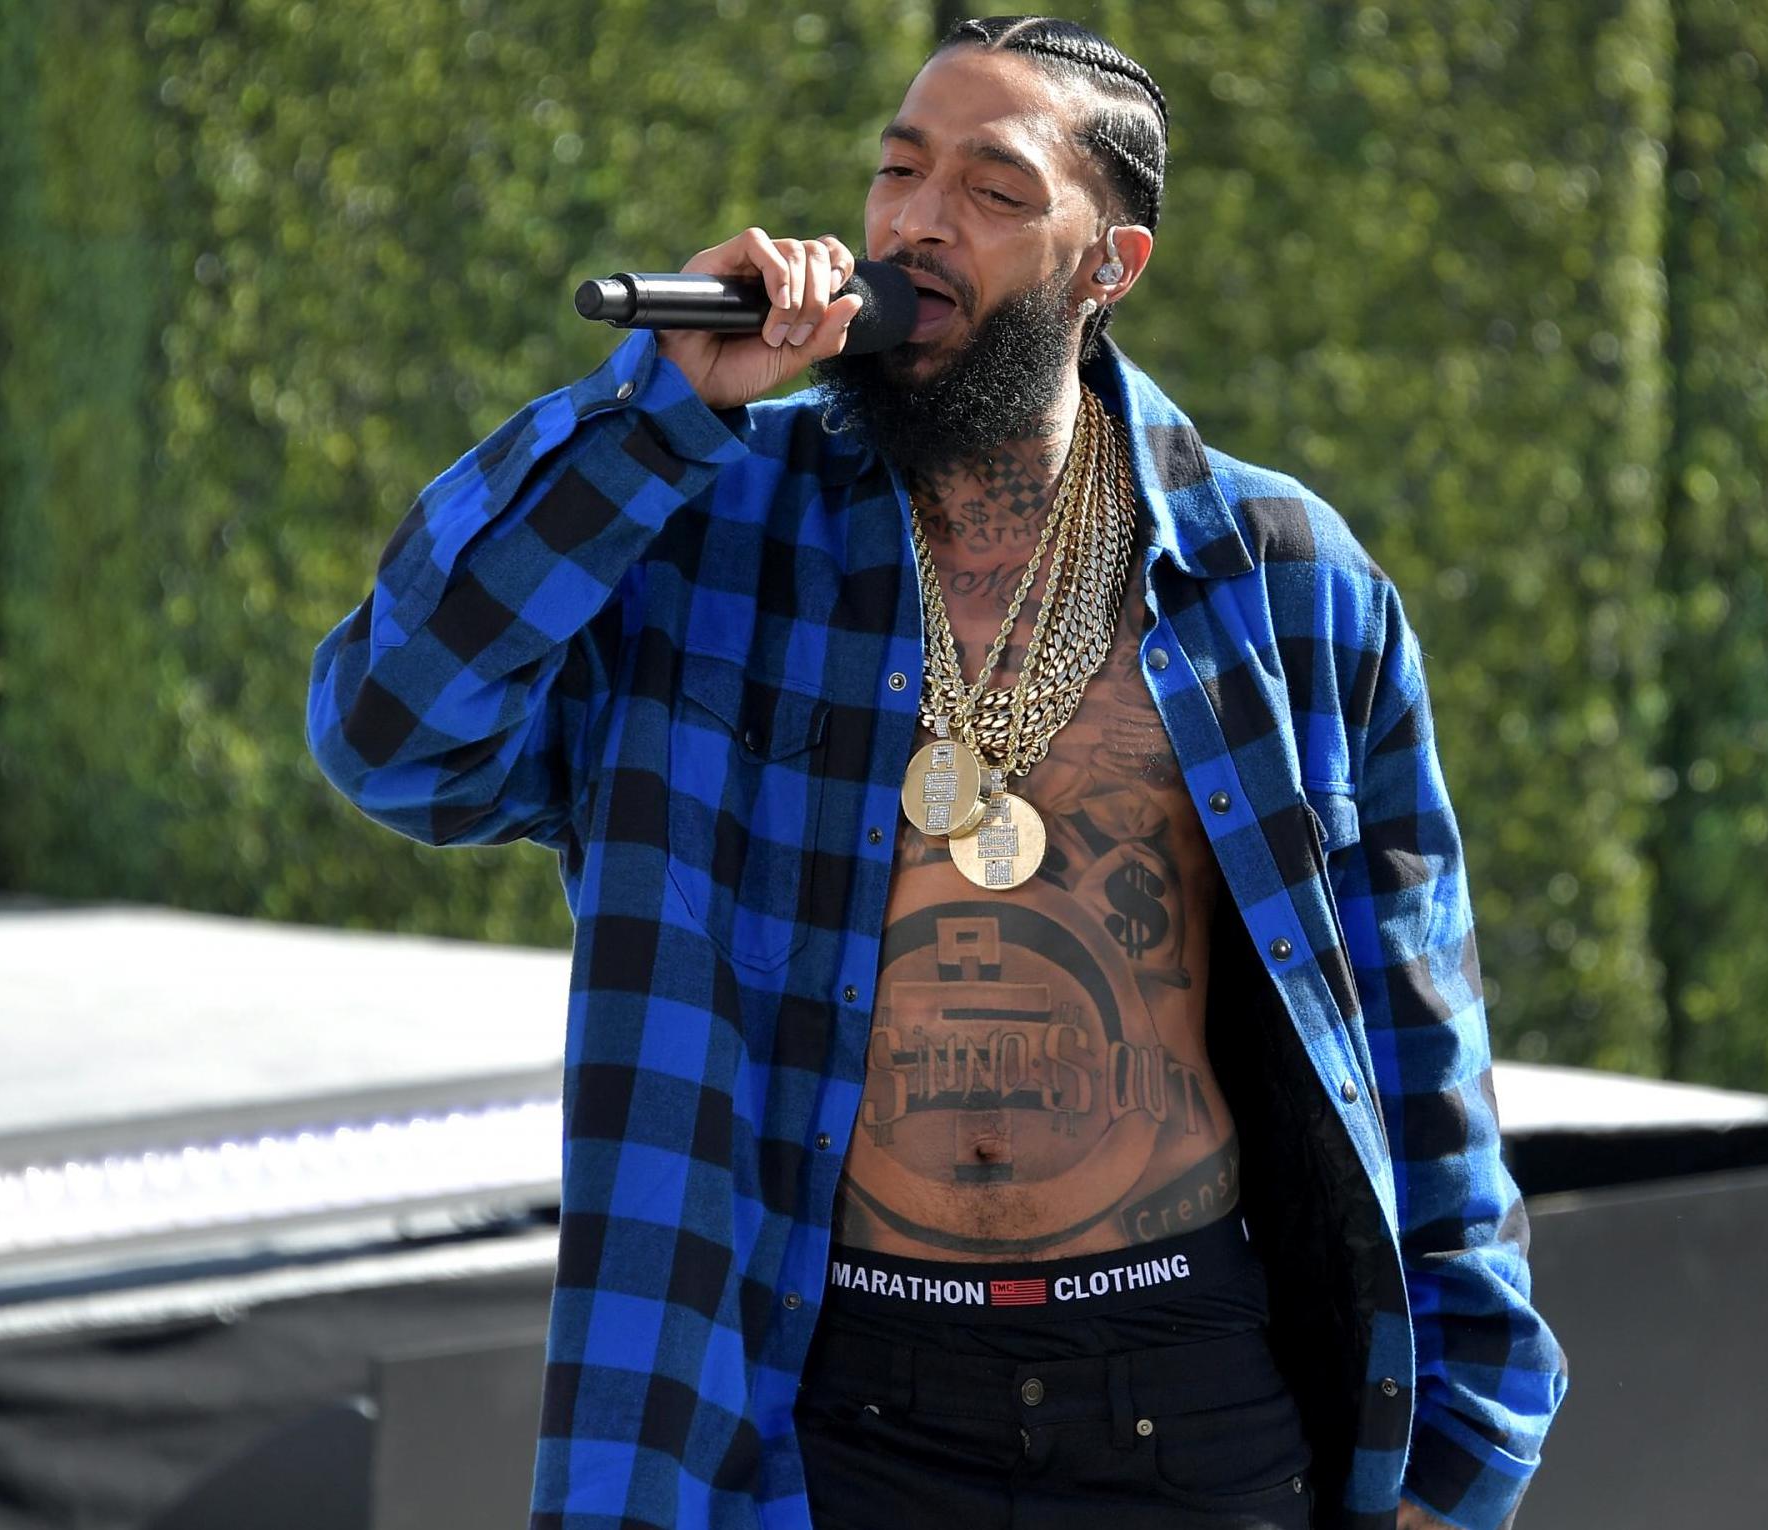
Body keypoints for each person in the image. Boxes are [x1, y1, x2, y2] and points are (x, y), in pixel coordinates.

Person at [306, 15, 1567, 1530]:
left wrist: (1466, 1449)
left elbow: (1419, 1034)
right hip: (818, 1392)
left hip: (1188, 1384)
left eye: (994, 188)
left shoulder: (1284, 577)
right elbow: (389, 733)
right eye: (898, 172)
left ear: (1113, 264)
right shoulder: (706, 531)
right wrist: (655, 413)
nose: (915, 221)